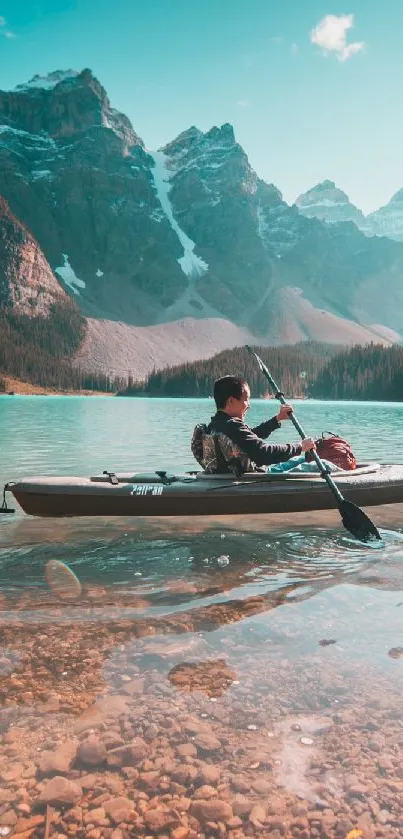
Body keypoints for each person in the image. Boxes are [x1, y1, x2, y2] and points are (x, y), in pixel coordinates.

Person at [192, 375, 316, 474]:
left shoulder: (216, 425)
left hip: (228, 478)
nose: (248, 405)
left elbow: (249, 438)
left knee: (300, 459)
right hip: (255, 479)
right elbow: (264, 453)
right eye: (246, 399)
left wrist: (277, 419)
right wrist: (300, 447)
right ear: (231, 401)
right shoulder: (232, 426)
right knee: (322, 463)